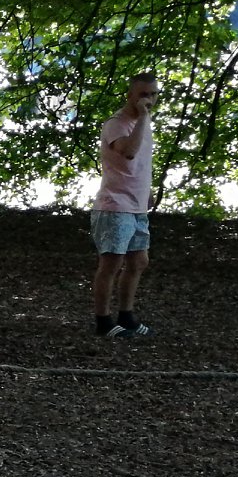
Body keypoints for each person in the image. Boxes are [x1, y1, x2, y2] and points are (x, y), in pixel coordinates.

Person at [91, 72, 158, 339]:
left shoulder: (143, 123)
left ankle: (126, 315)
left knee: (139, 261)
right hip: (114, 206)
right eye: (143, 94)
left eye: (153, 94)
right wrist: (142, 118)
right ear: (130, 95)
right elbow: (128, 152)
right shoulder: (117, 124)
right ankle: (103, 321)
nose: (149, 100)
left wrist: (147, 192)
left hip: (136, 206)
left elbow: (139, 162)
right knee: (111, 263)